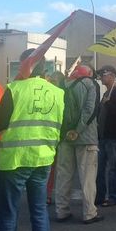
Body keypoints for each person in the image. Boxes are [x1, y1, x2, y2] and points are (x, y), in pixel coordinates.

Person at [0, 49, 65, 231]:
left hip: (14, 160)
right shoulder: (57, 92)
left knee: (7, 215)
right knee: (39, 213)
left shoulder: (14, 89)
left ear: (25, 65)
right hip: (43, 159)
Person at [55, 64, 103, 224]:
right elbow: (90, 110)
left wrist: (66, 131)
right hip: (86, 138)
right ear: (88, 74)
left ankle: (61, 211)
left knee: (63, 175)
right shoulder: (91, 84)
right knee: (87, 177)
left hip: (64, 137)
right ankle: (89, 212)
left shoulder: (62, 85)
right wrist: (78, 130)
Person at [95, 65, 116, 207]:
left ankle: (114, 196)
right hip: (103, 136)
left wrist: (108, 104)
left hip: (113, 136)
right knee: (100, 168)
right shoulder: (105, 93)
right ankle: (100, 195)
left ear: (112, 76)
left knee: (114, 167)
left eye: (104, 75)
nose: (101, 78)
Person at [45, 71, 66, 205]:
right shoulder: (50, 94)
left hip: (56, 136)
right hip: (51, 136)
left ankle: (50, 194)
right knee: (50, 168)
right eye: (51, 81)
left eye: (54, 81)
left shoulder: (62, 95)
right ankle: (48, 194)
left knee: (56, 169)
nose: (52, 83)